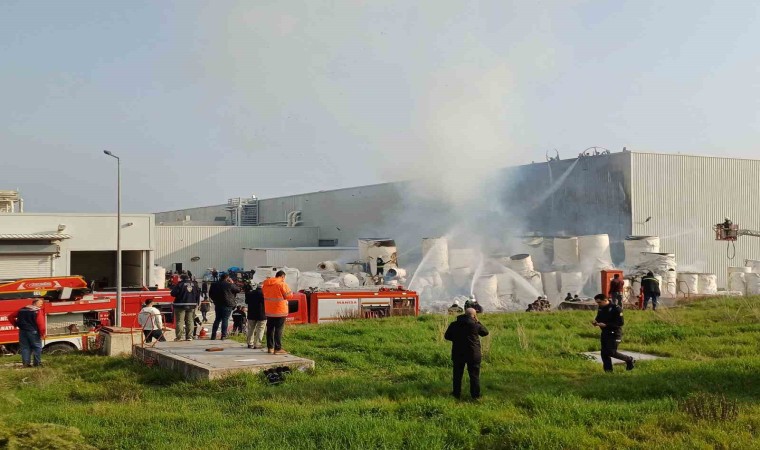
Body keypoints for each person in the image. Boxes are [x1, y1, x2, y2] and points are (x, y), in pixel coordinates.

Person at [444, 308, 489, 399]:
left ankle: (456, 394)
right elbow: (485, 332)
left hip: (458, 353)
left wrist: (456, 339)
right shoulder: (475, 325)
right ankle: (475, 396)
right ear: (474, 315)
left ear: (465, 314)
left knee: (457, 375)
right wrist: (478, 321)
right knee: (474, 376)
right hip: (473, 354)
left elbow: (447, 336)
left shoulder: (454, 324)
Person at [592, 294, 634, 372]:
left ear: (605, 300)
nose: (598, 304)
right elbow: (599, 317)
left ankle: (629, 359)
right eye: (597, 302)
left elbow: (620, 323)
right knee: (604, 353)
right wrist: (595, 322)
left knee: (611, 352)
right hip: (605, 332)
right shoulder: (601, 308)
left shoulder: (616, 308)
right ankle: (608, 372)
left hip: (614, 333)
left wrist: (606, 325)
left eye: (599, 302)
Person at [8, 299, 46, 367]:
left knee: (25, 347)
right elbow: (41, 324)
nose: (41, 305)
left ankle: (26, 364)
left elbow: (10, 316)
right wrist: (42, 333)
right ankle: (37, 364)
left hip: (22, 331)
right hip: (33, 331)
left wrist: (15, 324)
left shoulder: (22, 309)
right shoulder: (37, 311)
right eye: (40, 303)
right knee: (37, 347)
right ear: (35, 303)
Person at [262, 270, 292, 355]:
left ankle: (270, 347)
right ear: (282, 277)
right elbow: (289, 296)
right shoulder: (282, 284)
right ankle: (278, 348)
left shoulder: (266, 284)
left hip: (269, 310)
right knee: (278, 329)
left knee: (270, 329)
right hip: (280, 310)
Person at [209, 273, 241, 340]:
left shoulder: (214, 284)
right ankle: (223, 335)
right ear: (227, 278)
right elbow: (238, 290)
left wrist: (215, 300)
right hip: (227, 304)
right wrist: (232, 283)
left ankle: (213, 335)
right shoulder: (229, 285)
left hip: (218, 304)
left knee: (217, 319)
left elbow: (210, 294)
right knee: (225, 319)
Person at [170, 274, 199, 341]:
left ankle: (179, 337)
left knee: (180, 321)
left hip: (180, 305)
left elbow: (173, 293)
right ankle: (189, 336)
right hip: (192, 304)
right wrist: (197, 303)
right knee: (190, 321)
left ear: (181, 278)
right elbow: (198, 294)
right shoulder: (195, 284)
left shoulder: (180, 284)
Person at [245, 283, 267, 349]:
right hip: (262, 314)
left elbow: (246, 302)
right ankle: (257, 344)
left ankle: (250, 343)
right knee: (260, 329)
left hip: (251, 314)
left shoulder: (250, 293)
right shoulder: (264, 294)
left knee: (250, 329)